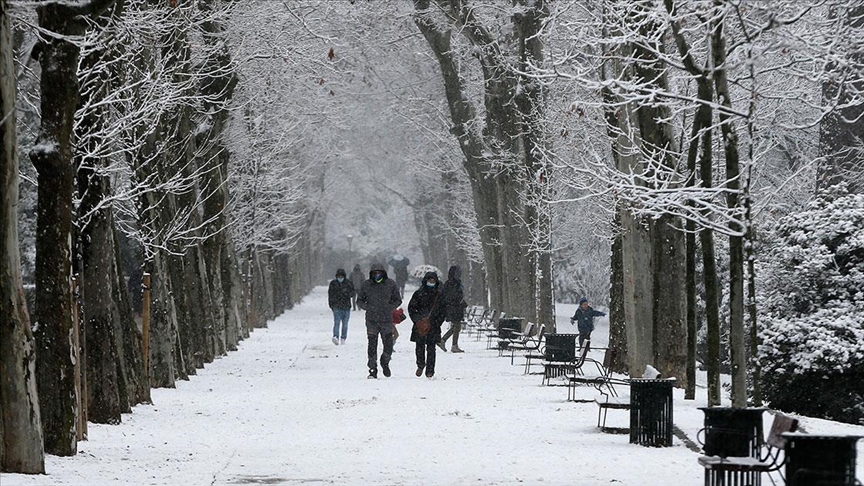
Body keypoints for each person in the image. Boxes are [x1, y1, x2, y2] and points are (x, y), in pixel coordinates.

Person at [356, 262, 402, 379]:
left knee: (388, 344)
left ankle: (385, 361)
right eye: (375, 273)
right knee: (372, 344)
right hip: (371, 319)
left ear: (383, 273)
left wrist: (389, 307)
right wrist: (368, 307)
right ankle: (372, 368)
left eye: (379, 273)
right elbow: (359, 300)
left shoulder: (391, 284)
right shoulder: (366, 285)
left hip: (386, 319)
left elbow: (398, 300)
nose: (377, 275)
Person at [409, 271, 444, 378]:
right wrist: (418, 319)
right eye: (430, 280)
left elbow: (443, 311)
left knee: (431, 348)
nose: (431, 282)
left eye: (433, 281)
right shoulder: (418, 294)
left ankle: (430, 370)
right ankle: (420, 364)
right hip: (420, 325)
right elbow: (412, 308)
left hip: (433, 325)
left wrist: (438, 322)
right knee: (419, 347)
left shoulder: (439, 295)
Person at [437, 265, 467, 353]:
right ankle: (452, 344)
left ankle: (444, 341)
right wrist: (459, 301)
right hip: (454, 308)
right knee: (457, 326)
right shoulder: (452, 283)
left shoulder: (452, 283)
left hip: (454, 308)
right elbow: (452, 296)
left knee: (456, 326)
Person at [328, 268, 355, 345]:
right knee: (337, 322)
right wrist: (331, 305)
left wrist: (346, 293)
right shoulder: (333, 283)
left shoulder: (348, 283)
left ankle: (343, 337)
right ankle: (336, 336)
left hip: (346, 306)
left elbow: (352, 294)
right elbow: (330, 295)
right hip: (336, 306)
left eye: (341, 276)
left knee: (345, 323)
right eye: (339, 276)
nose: (340, 278)